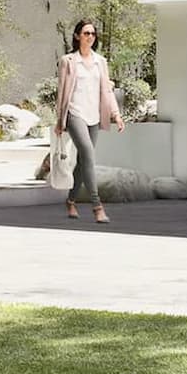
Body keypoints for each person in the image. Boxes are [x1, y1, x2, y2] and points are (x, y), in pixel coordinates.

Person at [55, 19, 124, 223]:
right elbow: (61, 93)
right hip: (75, 114)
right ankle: (97, 206)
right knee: (88, 154)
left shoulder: (100, 62)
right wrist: (60, 120)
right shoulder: (68, 61)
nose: (90, 37)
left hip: (94, 115)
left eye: (93, 34)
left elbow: (107, 90)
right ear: (77, 36)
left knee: (83, 161)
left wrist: (116, 115)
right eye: (86, 33)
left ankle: (70, 200)